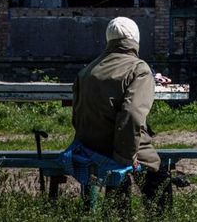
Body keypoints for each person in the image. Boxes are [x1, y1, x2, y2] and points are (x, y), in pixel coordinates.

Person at [71, 17, 172, 211]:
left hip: (88, 146)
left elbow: (77, 115)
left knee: (117, 183)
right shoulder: (138, 69)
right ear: (135, 39)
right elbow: (132, 115)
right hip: (120, 145)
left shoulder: (87, 71)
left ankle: (115, 212)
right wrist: (125, 157)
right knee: (158, 179)